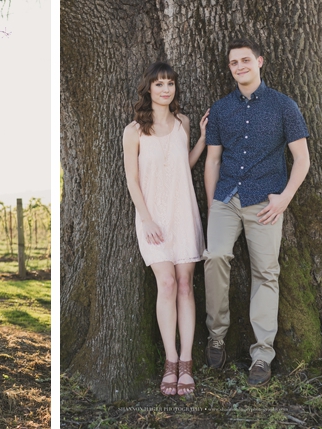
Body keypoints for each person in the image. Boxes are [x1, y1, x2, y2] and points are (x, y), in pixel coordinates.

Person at [203, 38, 310, 386]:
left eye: (245, 60)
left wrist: (284, 199)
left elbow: (302, 160)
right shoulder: (220, 109)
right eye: (234, 63)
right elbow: (213, 160)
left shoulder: (284, 106)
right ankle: (216, 335)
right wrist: (212, 204)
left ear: (260, 61)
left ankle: (262, 355)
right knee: (215, 254)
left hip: (267, 202)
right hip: (227, 198)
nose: (240, 67)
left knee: (266, 272)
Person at [123, 62, 207, 396]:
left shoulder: (183, 122)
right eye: (159, 84)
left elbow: (183, 166)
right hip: (152, 217)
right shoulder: (134, 131)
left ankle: (186, 363)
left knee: (186, 284)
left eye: (170, 83)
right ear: (148, 89)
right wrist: (147, 219)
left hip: (183, 212)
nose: (165, 89)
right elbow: (131, 179)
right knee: (168, 283)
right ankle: (169, 361)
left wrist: (200, 140)